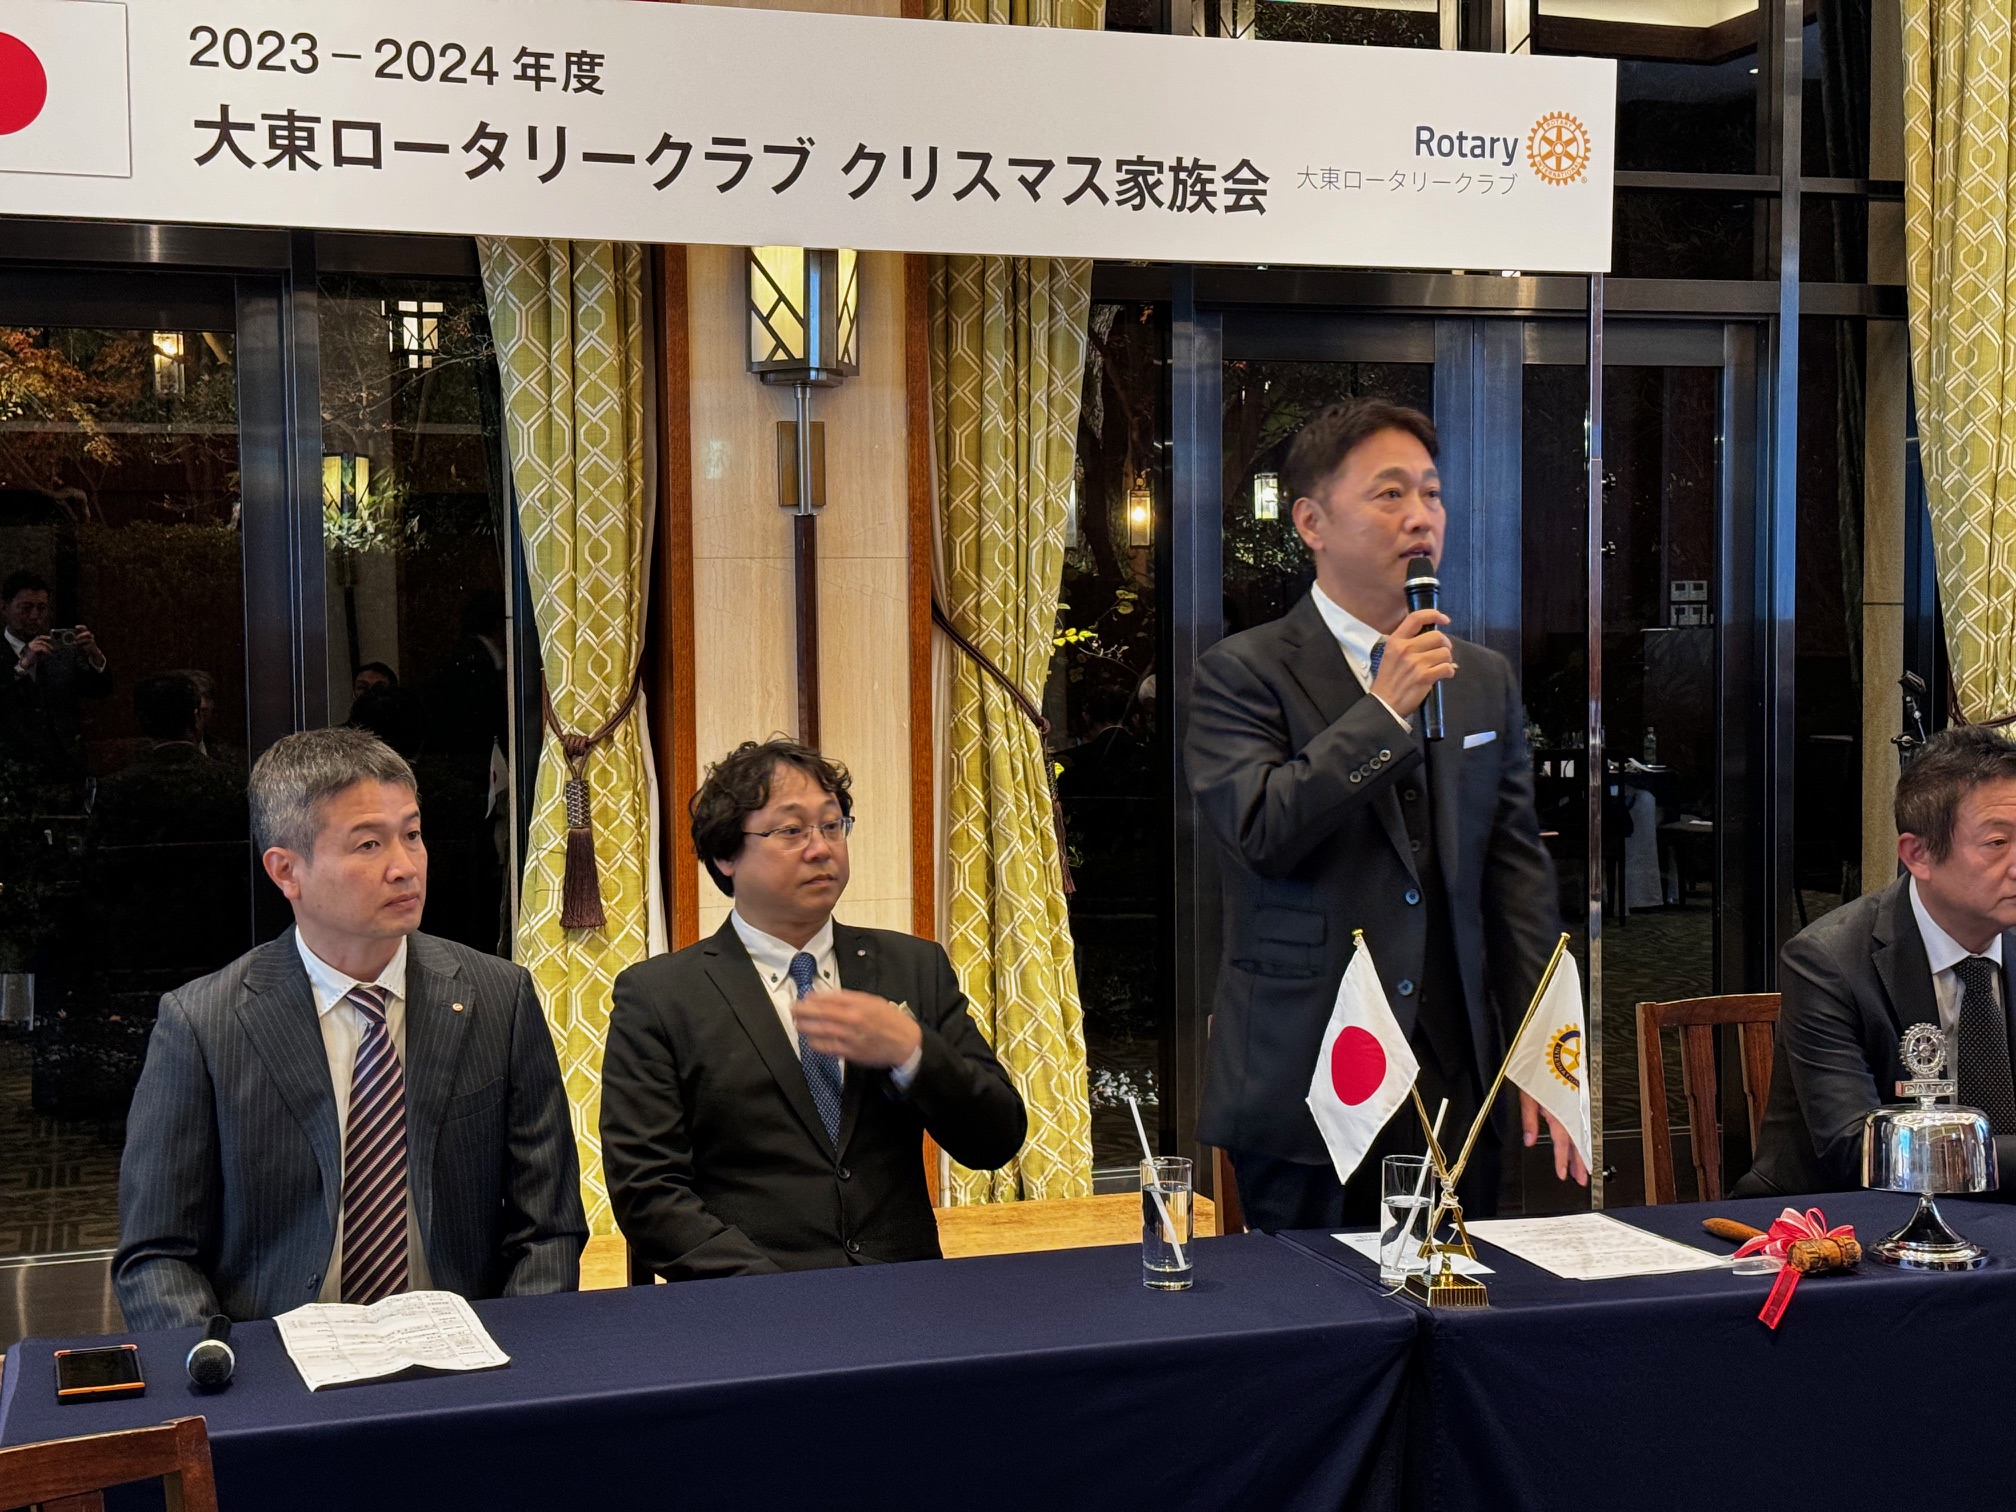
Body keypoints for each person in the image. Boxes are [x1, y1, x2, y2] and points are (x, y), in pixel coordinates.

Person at [1184, 398, 1581, 1230]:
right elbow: (1260, 832)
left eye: (1431, 494)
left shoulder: (1480, 677)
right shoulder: (1240, 672)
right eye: (1390, 493)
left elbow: (1514, 872)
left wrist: (1542, 1047)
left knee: (1460, 1297)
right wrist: (1382, 712)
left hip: (1456, 1075)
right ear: (1312, 522)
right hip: (1307, 1080)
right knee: (1314, 1306)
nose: (1420, 517)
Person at [114, 726, 586, 1329]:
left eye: (412, 835)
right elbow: (156, 1255)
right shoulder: (204, 1024)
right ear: (287, 871)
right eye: (368, 845)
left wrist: (521, 1353)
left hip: (464, 1350)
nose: (405, 868)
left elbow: (548, 1229)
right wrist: (223, 1363)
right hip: (275, 1357)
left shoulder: (499, 997)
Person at [601, 738, 1026, 1281]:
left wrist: (914, 1052)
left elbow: (996, 1140)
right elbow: (648, 1192)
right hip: (750, 1304)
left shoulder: (912, 967)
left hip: (904, 1294)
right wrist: (780, 1297)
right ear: (726, 855)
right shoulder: (660, 996)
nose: (821, 848)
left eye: (832, 825)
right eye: (791, 830)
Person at [1740, 726, 2016, 1196]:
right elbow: (1858, 1147)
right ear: (1918, 854)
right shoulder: (1827, 961)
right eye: (1996, 843)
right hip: (1845, 1218)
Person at [2, 569, 109, 780]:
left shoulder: (61, 652)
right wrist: (23, 666)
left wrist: (95, 654)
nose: (35, 616)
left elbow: (100, 690)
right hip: (10, 770)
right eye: (26, 608)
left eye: (41, 608)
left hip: (63, 768)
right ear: (4, 607)